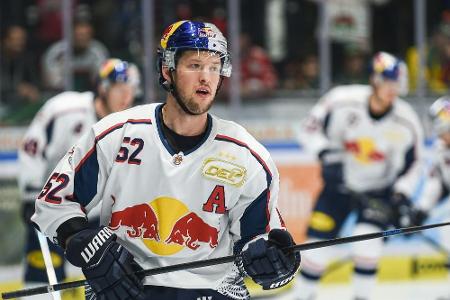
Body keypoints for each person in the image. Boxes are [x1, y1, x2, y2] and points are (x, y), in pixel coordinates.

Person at [30, 20, 301, 300]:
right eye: (194, 65)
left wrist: (273, 262)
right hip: (124, 290)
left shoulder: (247, 156)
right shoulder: (116, 135)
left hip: (211, 291)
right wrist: (81, 241)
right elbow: (53, 203)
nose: (206, 77)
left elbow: (262, 240)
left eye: (214, 67)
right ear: (166, 70)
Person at [295, 52, 425, 300]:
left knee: (368, 246)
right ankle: (302, 297)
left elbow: (415, 163)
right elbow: (306, 129)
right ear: (374, 80)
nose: (392, 90)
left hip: (378, 193)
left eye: (397, 85)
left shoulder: (406, 121)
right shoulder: (341, 101)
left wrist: (401, 193)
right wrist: (324, 153)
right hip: (337, 190)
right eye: (387, 83)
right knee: (315, 250)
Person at [18, 58, 140, 296]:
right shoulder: (65, 109)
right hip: (54, 207)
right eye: (120, 88)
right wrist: (28, 193)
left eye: (132, 90)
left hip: (99, 214)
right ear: (103, 88)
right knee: (41, 273)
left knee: (107, 277)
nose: (127, 96)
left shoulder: (134, 125)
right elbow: (33, 146)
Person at [415, 96, 450, 299]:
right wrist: (421, 210)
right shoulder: (441, 149)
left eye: (445, 131)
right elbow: (436, 182)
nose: (443, 136)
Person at [42, 20, 109, 92]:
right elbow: (52, 83)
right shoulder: (56, 52)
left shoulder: (98, 51)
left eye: (86, 34)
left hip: (90, 94)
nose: (82, 38)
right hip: (61, 95)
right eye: (79, 35)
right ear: (71, 35)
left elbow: (103, 81)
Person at [0, 25, 40, 116]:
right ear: (4, 41)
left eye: (22, 39)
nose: (19, 43)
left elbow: (36, 81)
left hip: (19, 104)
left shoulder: (27, 59)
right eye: (15, 39)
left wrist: (32, 89)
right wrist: (16, 88)